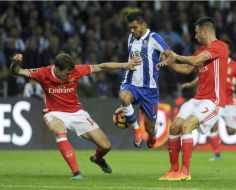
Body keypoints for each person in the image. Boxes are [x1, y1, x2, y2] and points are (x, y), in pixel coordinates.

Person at [10, 52, 140, 180]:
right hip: (54, 112)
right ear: (57, 69)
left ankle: (97, 159)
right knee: (59, 130)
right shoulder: (43, 73)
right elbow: (17, 71)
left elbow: (100, 66)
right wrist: (14, 63)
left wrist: (125, 65)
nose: (69, 75)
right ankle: (76, 172)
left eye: (71, 72)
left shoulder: (76, 71)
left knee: (106, 146)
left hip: (77, 113)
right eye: (67, 73)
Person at [158, 17, 228, 180]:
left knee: (187, 125)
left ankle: (185, 172)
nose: (195, 36)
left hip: (213, 100)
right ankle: (173, 170)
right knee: (175, 127)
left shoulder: (219, 46)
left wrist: (175, 55)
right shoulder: (200, 51)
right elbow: (186, 69)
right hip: (198, 98)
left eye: (197, 33)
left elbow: (195, 60)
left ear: (205, 31)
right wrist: (169, 62)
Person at [181, 38, 236, 161]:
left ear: (230, 51)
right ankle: (217, 154)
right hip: (214, 99)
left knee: (231, 131)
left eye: (226, 48)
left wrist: (235, 86)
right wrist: (191, 84)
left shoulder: (235, 66)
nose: (224, 49)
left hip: (229, 102)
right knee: (213, 126)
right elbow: (202, 76)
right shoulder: (213, 60)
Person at [119, 11, 173, 148]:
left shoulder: (154, 38)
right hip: (131, 83)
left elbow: (171, 56)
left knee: (150, 128)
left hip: (149, 89)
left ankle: (151, 135)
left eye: (135, 27)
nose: (132, 30)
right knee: (123, 98)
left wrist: (164, 62)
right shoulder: (130, 38)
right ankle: (136, 129)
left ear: (144, 25)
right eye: (130, 28)